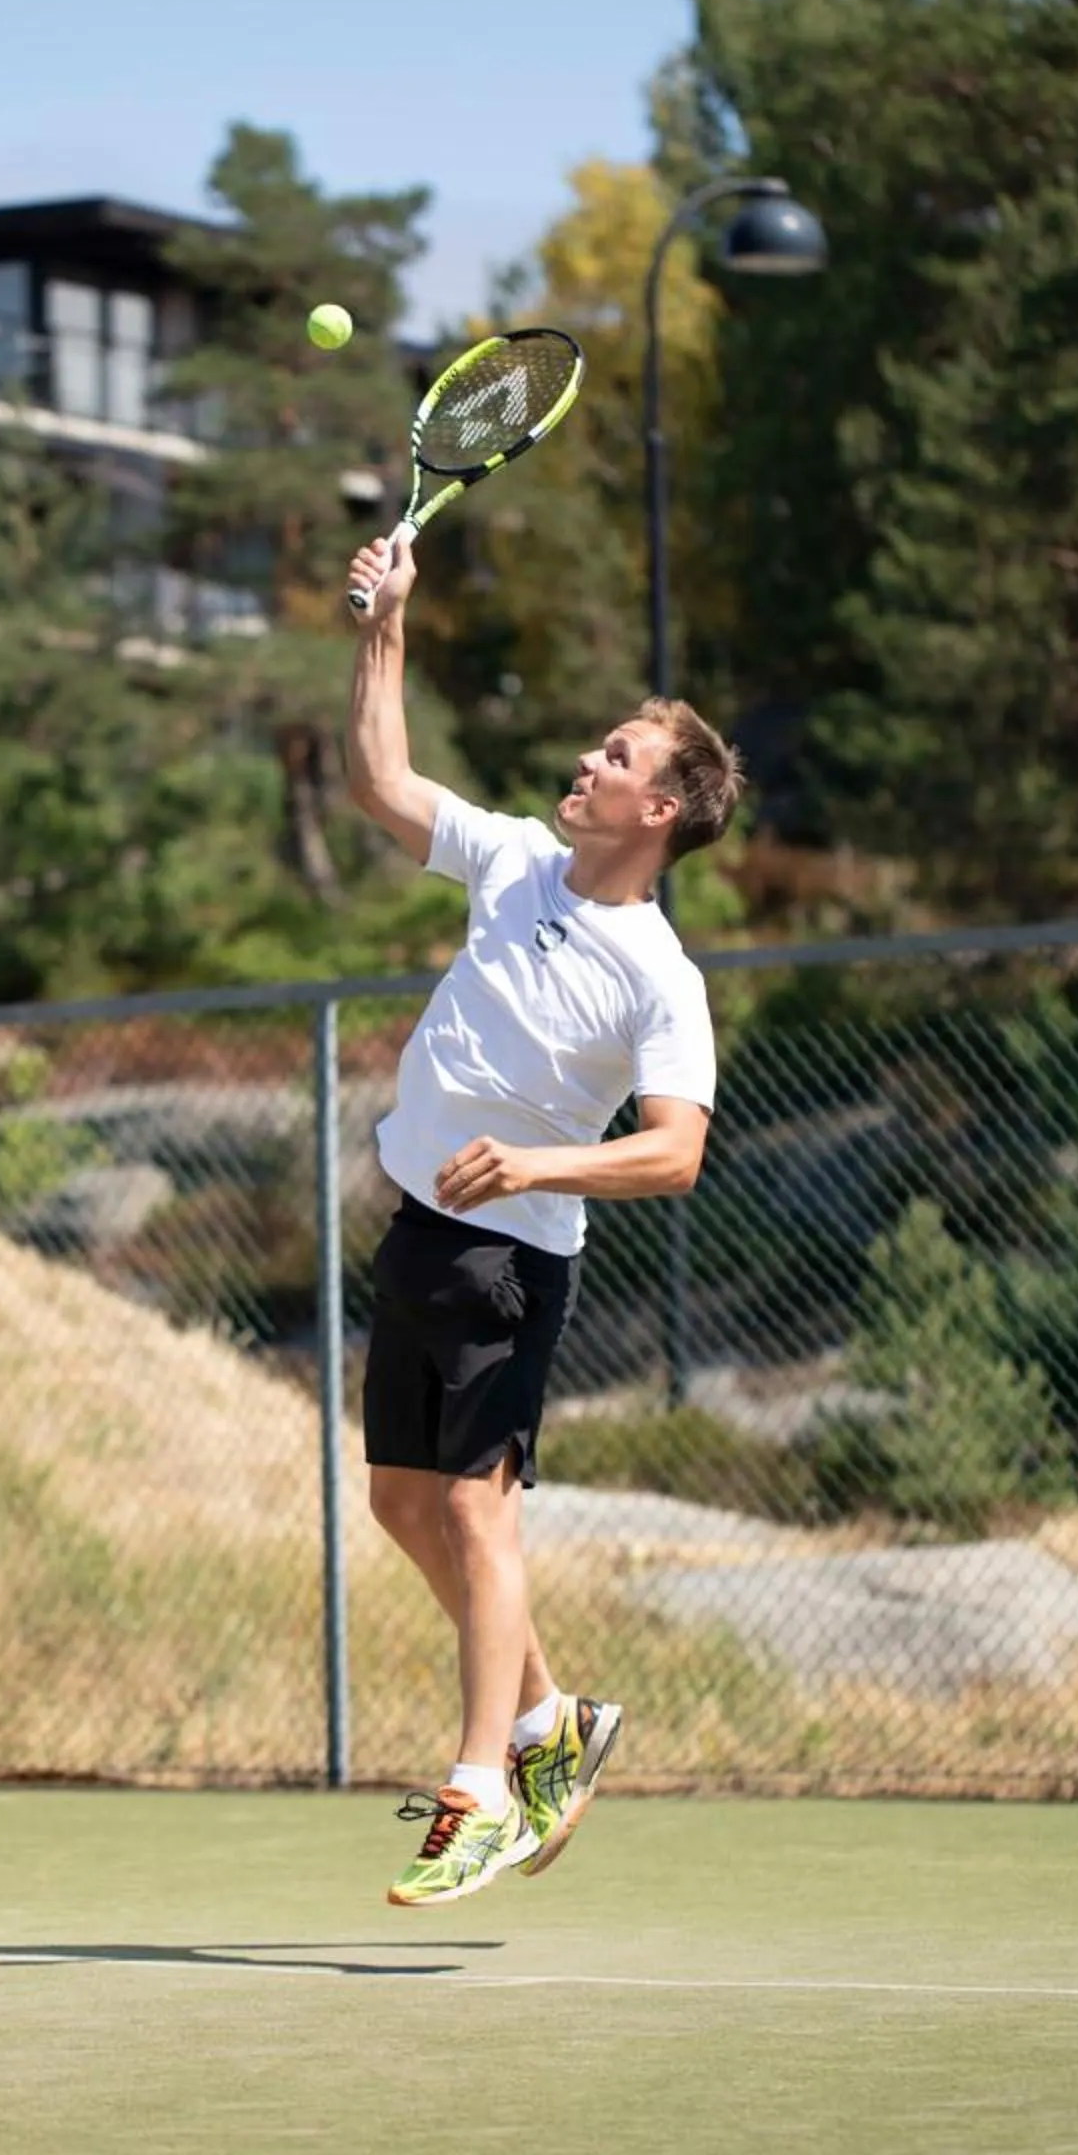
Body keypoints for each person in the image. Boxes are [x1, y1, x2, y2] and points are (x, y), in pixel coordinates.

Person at [343, 527, 741, 1907]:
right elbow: (385, 784)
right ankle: (546, 1723)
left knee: (475, 1510)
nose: (589, 762)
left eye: (619, 758)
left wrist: (532, 1167)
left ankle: (480, 1789)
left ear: (664, 814)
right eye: (599, 747)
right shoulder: (511, 862)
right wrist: (386, 627)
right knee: (401, 1501)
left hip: (514, 1262)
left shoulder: (661, 979)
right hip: (418, 1233)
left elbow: (677, 1155)